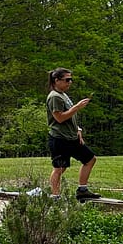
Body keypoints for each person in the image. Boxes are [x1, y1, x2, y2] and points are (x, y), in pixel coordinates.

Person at [46, 68, 100, 201]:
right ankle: (55, 196)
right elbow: (59, 118)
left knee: (90, 159)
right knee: (59, 167)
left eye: (71, 79)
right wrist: (77, 107)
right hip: (59, 139)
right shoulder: (54, 97)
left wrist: (78, 130)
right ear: (56, 80)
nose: (70, 82)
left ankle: (82, 189)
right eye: (67, 80)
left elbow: (70, 117)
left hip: (72, 137)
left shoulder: (63, 94)